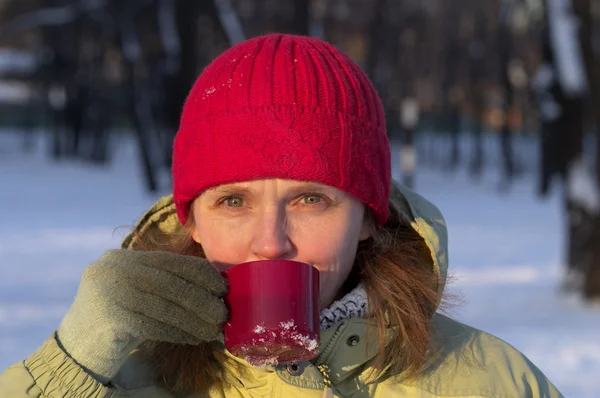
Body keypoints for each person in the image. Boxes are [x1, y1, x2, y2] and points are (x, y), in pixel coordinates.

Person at [0, 33, 563, 398]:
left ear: (369, 217)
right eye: (233, 201)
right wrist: (69, 364)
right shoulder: (122, 376)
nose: (270, 243)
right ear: (191, 221)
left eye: (310, 199)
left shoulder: (489, 379)